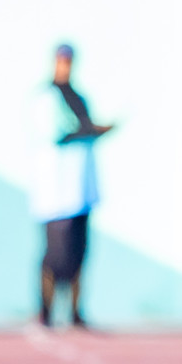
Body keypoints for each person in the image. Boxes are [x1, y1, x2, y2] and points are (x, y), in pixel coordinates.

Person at [31, 43, 112, 329]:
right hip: (56, 193)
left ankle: (76, 311)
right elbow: (56, 133)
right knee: (54, 254)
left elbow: (83, 129)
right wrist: (90, 130)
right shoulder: (47, 97)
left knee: (79, 253)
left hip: (80, 190)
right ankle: (46, 312)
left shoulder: (79, 98)